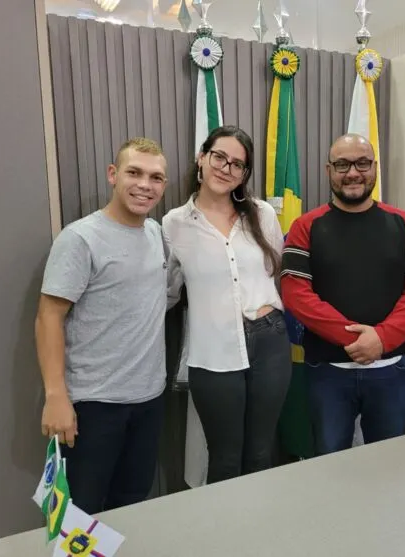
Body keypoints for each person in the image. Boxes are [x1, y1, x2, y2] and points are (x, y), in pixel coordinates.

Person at [35, 137, 174, 514]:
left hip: (148, 400)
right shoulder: (80, 238)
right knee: (79, 512)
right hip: (93, 405)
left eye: (156, 177)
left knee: (131, 504)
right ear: (113, 175)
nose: (145, 185)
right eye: (134, 172)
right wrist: (55, 396)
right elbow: (49, 316)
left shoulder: (156, 234)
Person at [280, 134, 405, 456]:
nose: (353, 173)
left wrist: (382, 338)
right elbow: (296, 294)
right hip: (328, 375)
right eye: (342, 164)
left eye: (362, 163)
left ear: (374, 167)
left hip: (391, 370)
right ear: (328, 170)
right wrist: (357, 339)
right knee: (329, 461)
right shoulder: (305, 227)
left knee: (389, 463)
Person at [162, 125, 291, 484]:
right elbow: (168, 292)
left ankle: (256, 533)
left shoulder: (262, 214)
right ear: (201, 158)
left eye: (238, 164)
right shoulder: (173, 224)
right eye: (219, 156)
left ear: (244, 174)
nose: (226, 168)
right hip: (213, 350)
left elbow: (277, 272)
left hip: (270, 341)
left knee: (262, 452)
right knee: (224, 457)